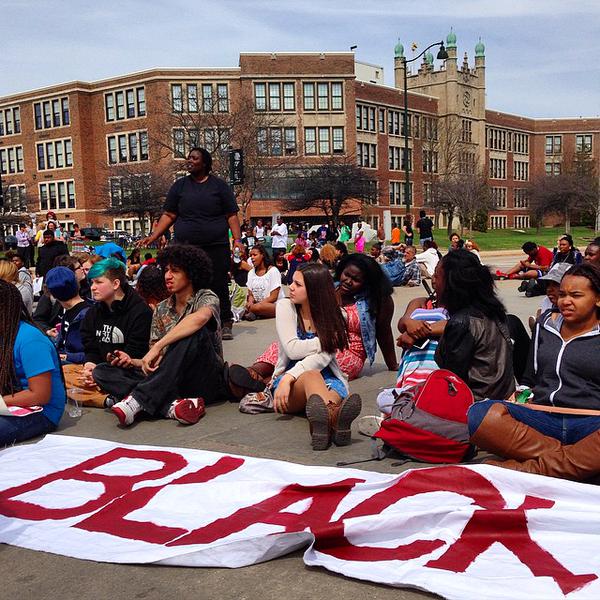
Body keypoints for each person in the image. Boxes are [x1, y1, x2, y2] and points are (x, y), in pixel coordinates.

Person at [101, 246, 263, 425]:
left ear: (191, 274)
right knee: (103, 371)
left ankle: (140, 399)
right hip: (171, 380)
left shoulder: (206, 297)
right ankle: (171, 406)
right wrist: (132, 362)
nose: (167, 276)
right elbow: (156, 362)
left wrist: (158, 346)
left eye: (175, 271)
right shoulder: (161, 308)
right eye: (166, 270)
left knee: (192, 332)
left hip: (204, 376)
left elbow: (200, 319)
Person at [468, 263, 600, 481]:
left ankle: (531, 470)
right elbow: (530, 376)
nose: (565, 301)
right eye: (562, 294)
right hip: (544, 419)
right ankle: (580, 464)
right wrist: (521, 393)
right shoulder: (545, 324)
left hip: (590, 423)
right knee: (480, 414)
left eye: (576, 295)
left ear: (597, 299)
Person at [138, 147, 243, 341]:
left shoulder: (219, 186)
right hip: (186, 248)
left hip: (215, 245)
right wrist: (153, 236)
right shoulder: (180, 186)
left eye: (194, 158)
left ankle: (225, 321)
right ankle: (189, 320)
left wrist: (237, 241)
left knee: (218, 283)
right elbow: (169, 215)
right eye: (189, 158)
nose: (190, 161)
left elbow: (231, 215)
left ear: (205, 163)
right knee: (187, 284)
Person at [248, 252, 398, 384]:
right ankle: (253, 372)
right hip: (316, 340)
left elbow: (384, 333)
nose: (348, 281)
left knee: (313, 359)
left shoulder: (378, 301)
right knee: (281, 346)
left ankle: (262, 383)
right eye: (347, 274)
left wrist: (393, 365)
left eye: (356, 279)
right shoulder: (329, 289)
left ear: (368, 282)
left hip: (348, 352)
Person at [271, 263, 361, 450]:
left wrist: (328, 345)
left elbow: (323, 358)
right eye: (292, 282)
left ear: (314, 289)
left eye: (298, 284)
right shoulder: (285, 307)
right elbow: (292, 349)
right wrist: (327, 342)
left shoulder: (337, 315)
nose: (291, 288)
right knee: (311, 375)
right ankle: (334, 423)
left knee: (330, 397)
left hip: (329, 379)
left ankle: (325, 425)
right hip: (288, 385)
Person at [68, 258, 152, 404]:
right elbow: (91, 348)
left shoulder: (140, 311)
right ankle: (109, 398)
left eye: (98, 282)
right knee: (63, 372)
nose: (93, 287)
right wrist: (89, 367)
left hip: (129, 371)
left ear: (115, 284)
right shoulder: (92, 313)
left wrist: (100, 371)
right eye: (92, 282)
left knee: (102, 373)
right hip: (102, 369)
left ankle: (109, 394)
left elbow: (137, 354)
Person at [434, 250, 515, 401]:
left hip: (475, 405)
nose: (433, 281)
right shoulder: (494, 312)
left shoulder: (461, 322)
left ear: (451, 284)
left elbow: (452, 380)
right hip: (500, 398)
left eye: (437, 276)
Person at [0, 281, 65, 447]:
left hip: (43, 412)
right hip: (11, 402)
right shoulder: (6, 335)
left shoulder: (31, 339)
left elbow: (40, 395)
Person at [44, 267, 92, 364]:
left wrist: (67, 356)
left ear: (52, 294)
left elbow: (94, 354)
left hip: (77, 366)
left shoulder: (87, 315)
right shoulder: (69, 311)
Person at [244, 245, 284, 320]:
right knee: (250, 305)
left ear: (262, 255)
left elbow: (273, 297)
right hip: (257, 305)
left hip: (274, 304)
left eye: (255, 255)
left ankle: (253, 312)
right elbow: (250, 294)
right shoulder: (251, 273)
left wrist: (257, 305)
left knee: (258, 307)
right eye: (250, 255)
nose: (252, 257)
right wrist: (250, 302)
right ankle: (255, 312)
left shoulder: (273, 271)